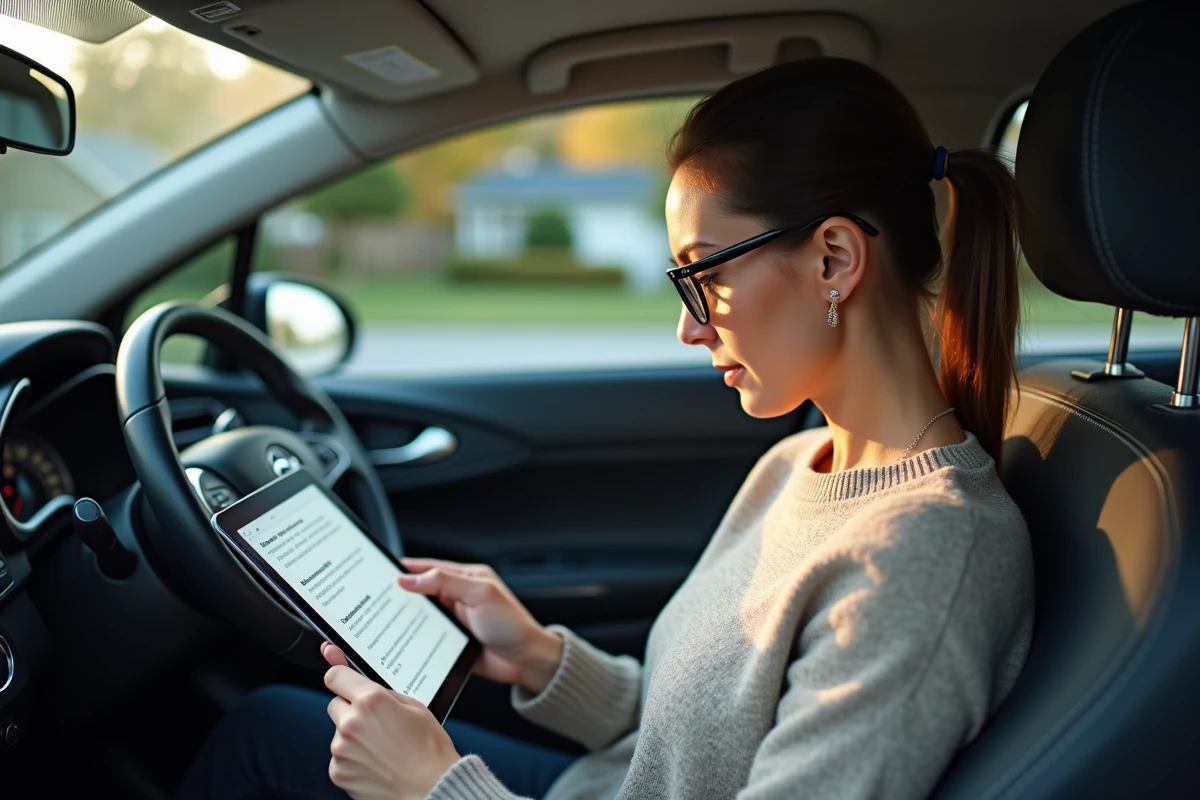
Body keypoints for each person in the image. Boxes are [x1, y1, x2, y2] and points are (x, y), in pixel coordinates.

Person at [177, 56, 1034, 800]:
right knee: (265, 723)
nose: (688, 327)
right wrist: (544, 656)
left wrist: (431, 787)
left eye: (702, 277)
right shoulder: (798, 462)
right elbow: (692, 746)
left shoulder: (929, 554)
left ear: (834, 259)